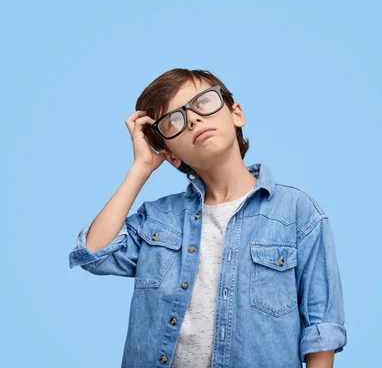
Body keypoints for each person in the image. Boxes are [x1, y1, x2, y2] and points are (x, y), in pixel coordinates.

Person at [69, 68, 347, 367]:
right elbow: (93, 254)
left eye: (202, 103)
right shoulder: (158, 219)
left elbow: (321, 328)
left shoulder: (297, 213)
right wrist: (141, 168)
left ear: (236, 113)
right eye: (174, 120)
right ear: (171, 155)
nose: (192, 119)